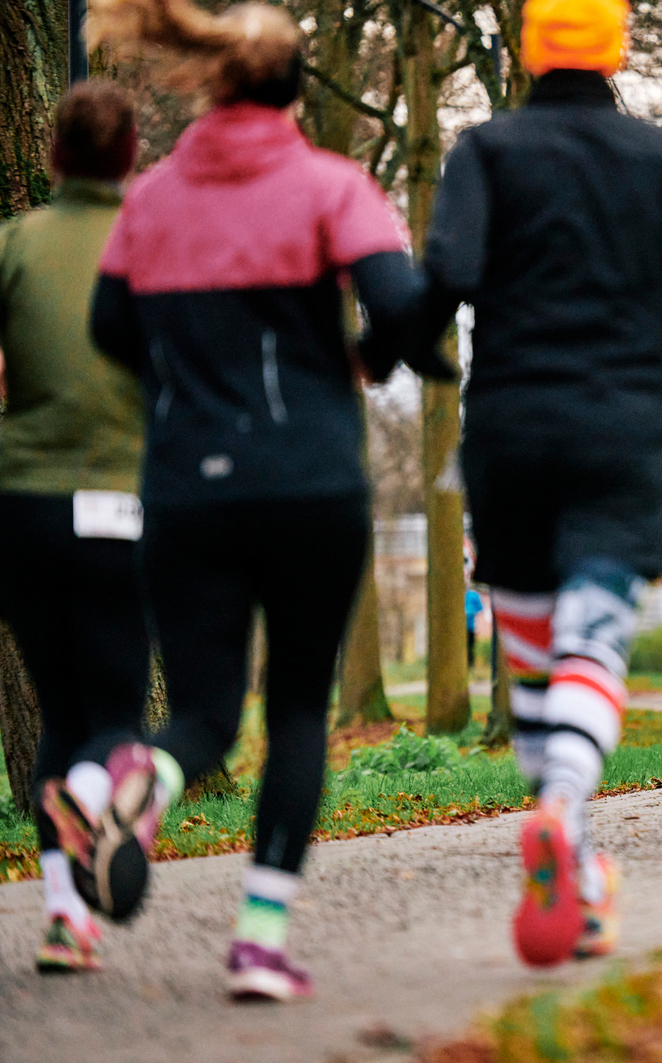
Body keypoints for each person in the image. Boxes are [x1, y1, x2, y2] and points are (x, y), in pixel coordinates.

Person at [66, 0, 453, 1001]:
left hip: (186, 488)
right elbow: (404, 310)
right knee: (294, 710)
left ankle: (134, 778)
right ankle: (260, 937)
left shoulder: (148, 201)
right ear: (288, 87)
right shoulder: (331, 185)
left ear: (212, 82)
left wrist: (186, 387)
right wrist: (368, 356)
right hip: (309, 482)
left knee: (198, 712)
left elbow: (110, 327)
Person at [418, 0, 662, 968]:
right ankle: (564, 813)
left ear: (529, 49)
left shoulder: (484, 151)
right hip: (618, 433)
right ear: (618, 48)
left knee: (535, 668)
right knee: (593, 641)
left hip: (511, 431)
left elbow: (446, 272)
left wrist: (400, 346)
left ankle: (579, 862)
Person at [0, 81, 148, 973]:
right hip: (123, 506)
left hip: (19, 505)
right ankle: (92, 798)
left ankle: (66, 916)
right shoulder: (152, 245)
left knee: (59, 707)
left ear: (55, 156)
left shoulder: (14, 244)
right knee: (118, 713)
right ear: (133, 156)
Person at [466, 586, 484, 668]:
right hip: (456, 630)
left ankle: (470, 667)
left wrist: (479, 627)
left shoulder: (473, 595)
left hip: (470, 626)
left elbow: (480, 612)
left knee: (470, 647)